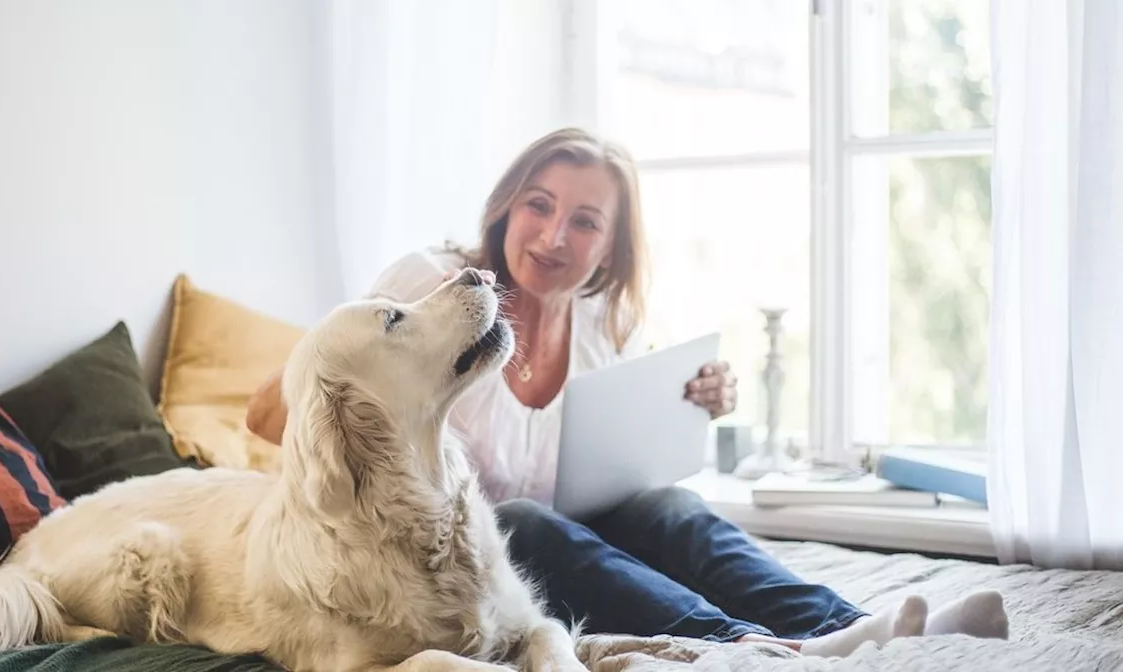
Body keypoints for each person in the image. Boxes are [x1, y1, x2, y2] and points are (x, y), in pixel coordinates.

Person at [249, 127, 1010, 657]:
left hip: (564, 535)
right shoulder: (435, 286)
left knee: (672, 509)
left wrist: (694, 404)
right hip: (446, 552)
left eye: (584, 222)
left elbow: (620, 473)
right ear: (507, 206)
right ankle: (759, 647)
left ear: (610, 245)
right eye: (539, 206)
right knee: (520, 521)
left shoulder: (601, 322)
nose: (553, 237)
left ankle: (872, 624)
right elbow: (291, 402)